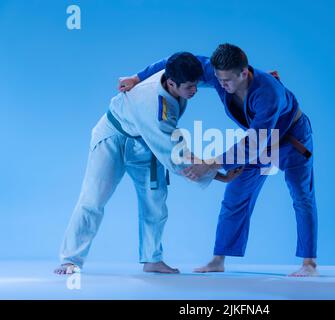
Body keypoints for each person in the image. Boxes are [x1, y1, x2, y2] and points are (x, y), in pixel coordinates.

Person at [119, 44, 318, 277]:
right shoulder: (218, 72)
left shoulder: (268, 93)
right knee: (235, 194)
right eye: (217, 79)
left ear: (244, 73)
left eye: (226, 81)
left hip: (291, 138)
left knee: (301, 194)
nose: (220, 85)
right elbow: (177, 62)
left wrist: (211, 163)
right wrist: (137, 77)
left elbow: (254, 143)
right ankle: (218, 259)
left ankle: (309, 263)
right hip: (256, 140)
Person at [55, 52, 241, 275]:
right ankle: (70, 259)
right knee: (93, 198)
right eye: (189, 87)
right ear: (171, 82)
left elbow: (193, 65)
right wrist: (220, 175)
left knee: (155, 201)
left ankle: (152, 259)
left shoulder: (174, 71)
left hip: (146, 143)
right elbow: (177, 156)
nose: (194, 91)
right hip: (113, 137)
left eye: (196, 85)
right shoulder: (154, 107)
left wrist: (251, 76)